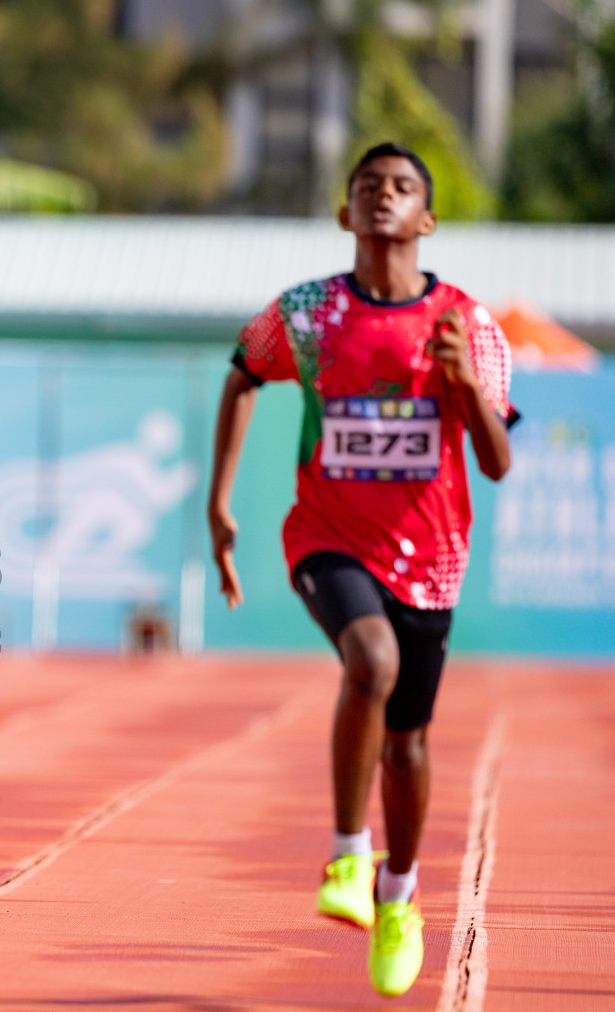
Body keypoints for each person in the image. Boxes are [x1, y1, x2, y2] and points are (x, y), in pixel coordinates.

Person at [207, 143, 515, 997]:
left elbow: (495, 463)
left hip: (431, 559)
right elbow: (242, 376)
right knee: (369, 662)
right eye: (367, 187)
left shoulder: (467, 324)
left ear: (427, 219)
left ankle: (400, 894)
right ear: (345, 214)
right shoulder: (305, 314)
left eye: (403, 187)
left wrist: (465, 387)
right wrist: (219, 501)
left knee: (409, 744)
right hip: (326, 536)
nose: (384, 196)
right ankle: (348, 857)